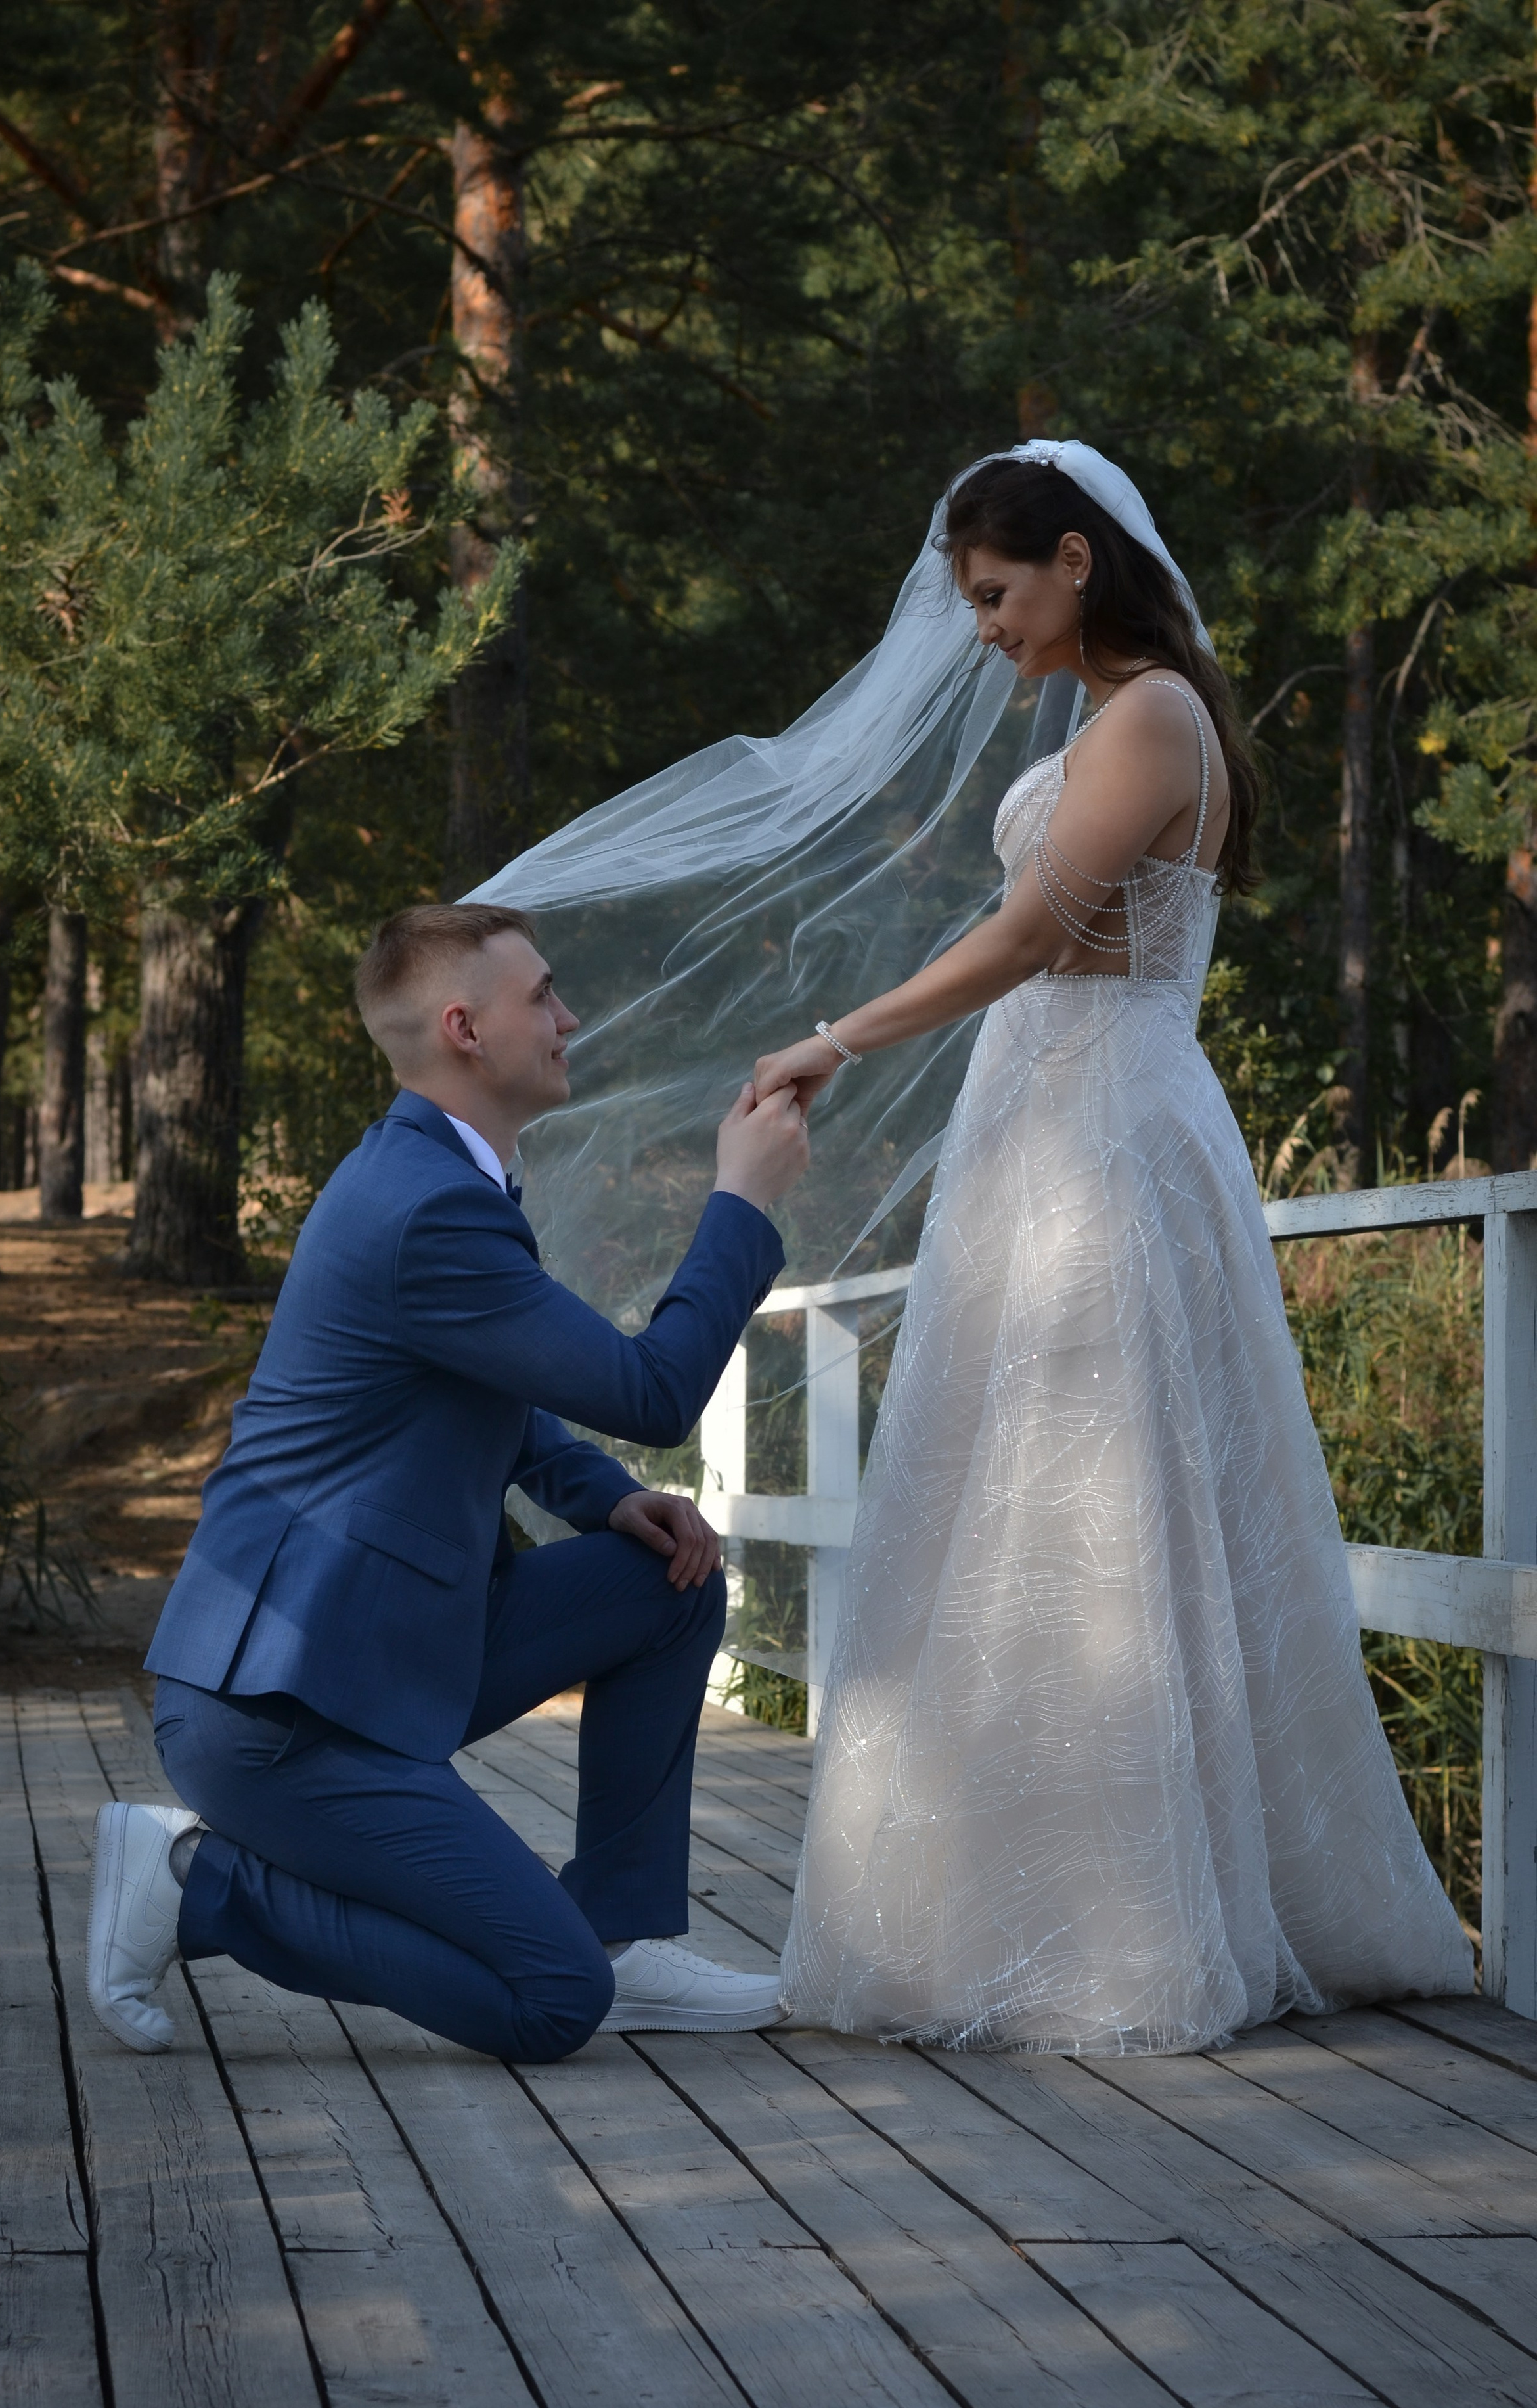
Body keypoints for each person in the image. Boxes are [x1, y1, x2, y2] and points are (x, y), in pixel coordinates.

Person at [755, 443, 1472, 2055]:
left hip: (1097, 1119)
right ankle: (1008, 1893)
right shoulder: (1119, 714)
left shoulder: (1147, 715)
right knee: (1028, 1481)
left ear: (1076, 560)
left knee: (1098, 1483)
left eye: (997, 597)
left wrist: (834, 1040)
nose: (984, 632)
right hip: (1057, 1107)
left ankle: (1115, 1928)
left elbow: (1026, 936)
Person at [87, 901, 809, 2062]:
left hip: (384, 1650)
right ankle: (196, 1886)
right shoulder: (427, 1208)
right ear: (467, 1028)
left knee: (664, 1584)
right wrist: (743, 1198)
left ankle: (624, 1931)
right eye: (545, 998)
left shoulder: (437, 1178)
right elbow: (657, 1392)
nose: (570, 1018)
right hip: (281, 1712)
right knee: (549, 2001)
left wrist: (602, 1497)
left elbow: (489, 1395)